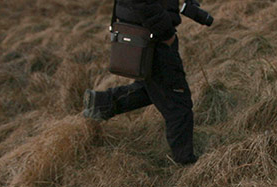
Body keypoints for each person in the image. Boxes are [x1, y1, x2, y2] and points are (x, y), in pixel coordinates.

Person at [82, 0, 199, 165]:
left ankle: (100, 103)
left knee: (153, 88)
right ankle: (185, 162)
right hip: (153, 36)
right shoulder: (161, 33)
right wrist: (166, 34)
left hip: (144, 30)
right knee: (178, 102)